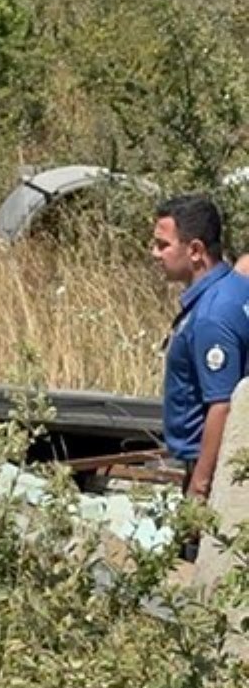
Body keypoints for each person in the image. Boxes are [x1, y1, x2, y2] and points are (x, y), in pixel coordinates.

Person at [153, 193, 249, 500]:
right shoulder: (236, 288)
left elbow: (221, 405)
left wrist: (200, 487)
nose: (155, 253)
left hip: (215, 467)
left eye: (163, 245)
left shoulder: (211, 316)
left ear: (195, 250)